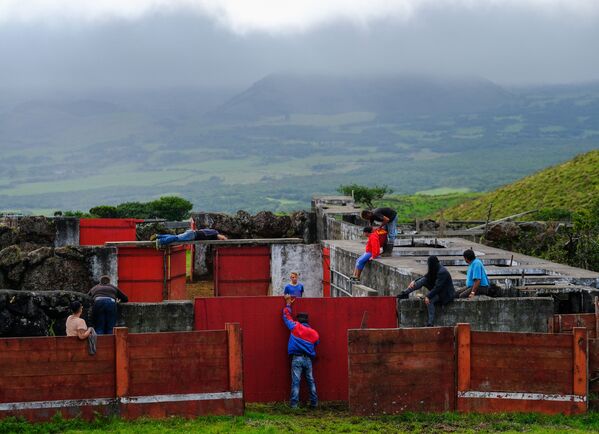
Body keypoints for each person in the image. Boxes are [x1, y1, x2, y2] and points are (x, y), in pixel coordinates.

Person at [282, 294, 319, 409]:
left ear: (298, 320)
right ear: (307, 321)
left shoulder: (294, 326)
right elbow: (316, 343)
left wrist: (288, 304)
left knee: (296, 382)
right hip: (308, 359)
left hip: (296, 358)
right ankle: (314, 403)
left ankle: (294, 405)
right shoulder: (314, 333)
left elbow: (286, 316)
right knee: (311, 381)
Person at [398, 256, 455, 326]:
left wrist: (427, 296)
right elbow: (426, 276)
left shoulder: (442, 272)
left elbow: (438, 287)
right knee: (423, 280)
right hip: (438, 290)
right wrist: (414, 281)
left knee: (430, 300)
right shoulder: (435, 268)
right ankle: (405, 293)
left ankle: (430, 323)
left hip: (445, 293)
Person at [154, 228, 228, 247]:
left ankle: (158, 236)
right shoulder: (215, 233)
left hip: (192, 233)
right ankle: (160, 241)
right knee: (176, 238)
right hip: (192, 235)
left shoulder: (212, 233)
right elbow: (219, 236)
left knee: (176, 237)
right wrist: (225, 239)